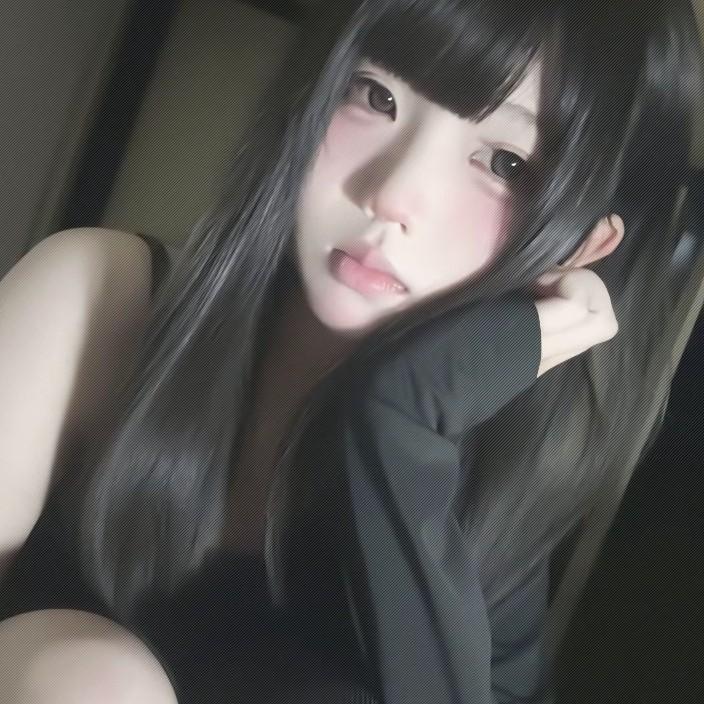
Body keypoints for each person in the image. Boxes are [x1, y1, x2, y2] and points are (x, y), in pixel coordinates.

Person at [0, 0, 701, 702]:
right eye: (376, 96)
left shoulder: (508, 489)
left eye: (505, 163)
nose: (391, 193)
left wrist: (404, 415)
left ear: (581, 246)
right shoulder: (98, 297)